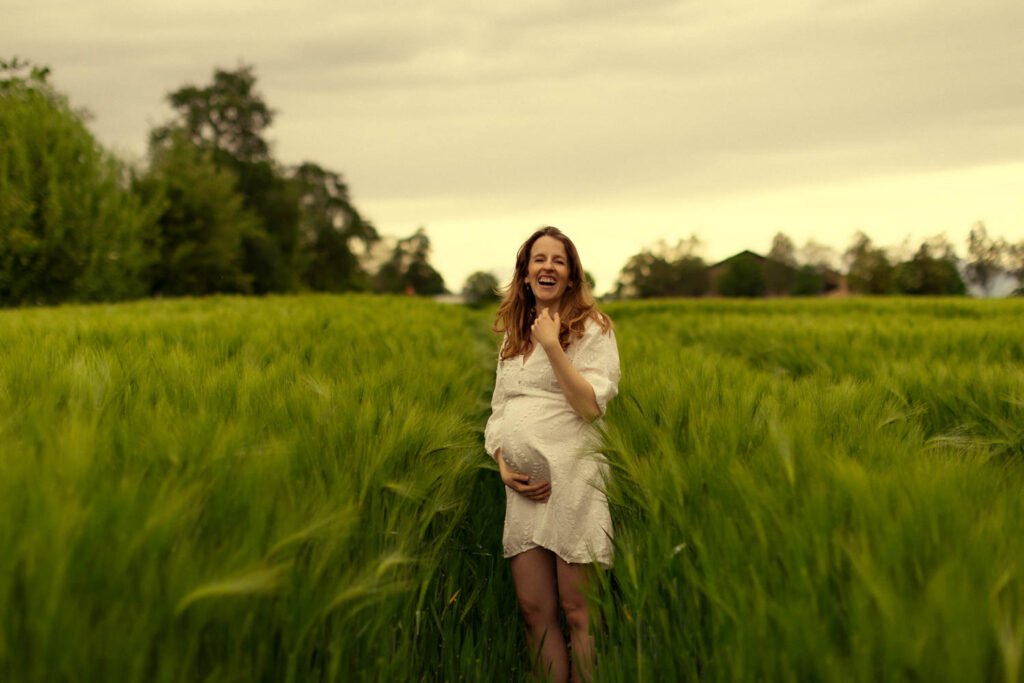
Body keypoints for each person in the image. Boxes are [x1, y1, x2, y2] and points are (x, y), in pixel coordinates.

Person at [484, 226, 621, 683]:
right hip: (524, 491)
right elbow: (500, 408)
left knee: (579, 610)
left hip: (574, 482)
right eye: (538, 259)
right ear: (524, 275)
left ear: (571, 275)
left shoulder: (593, 329)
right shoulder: (513, 335)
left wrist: (552, 343)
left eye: (558, 260)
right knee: (533, 609)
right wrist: (503, 464)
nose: (548, 267)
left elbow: (588, 405)